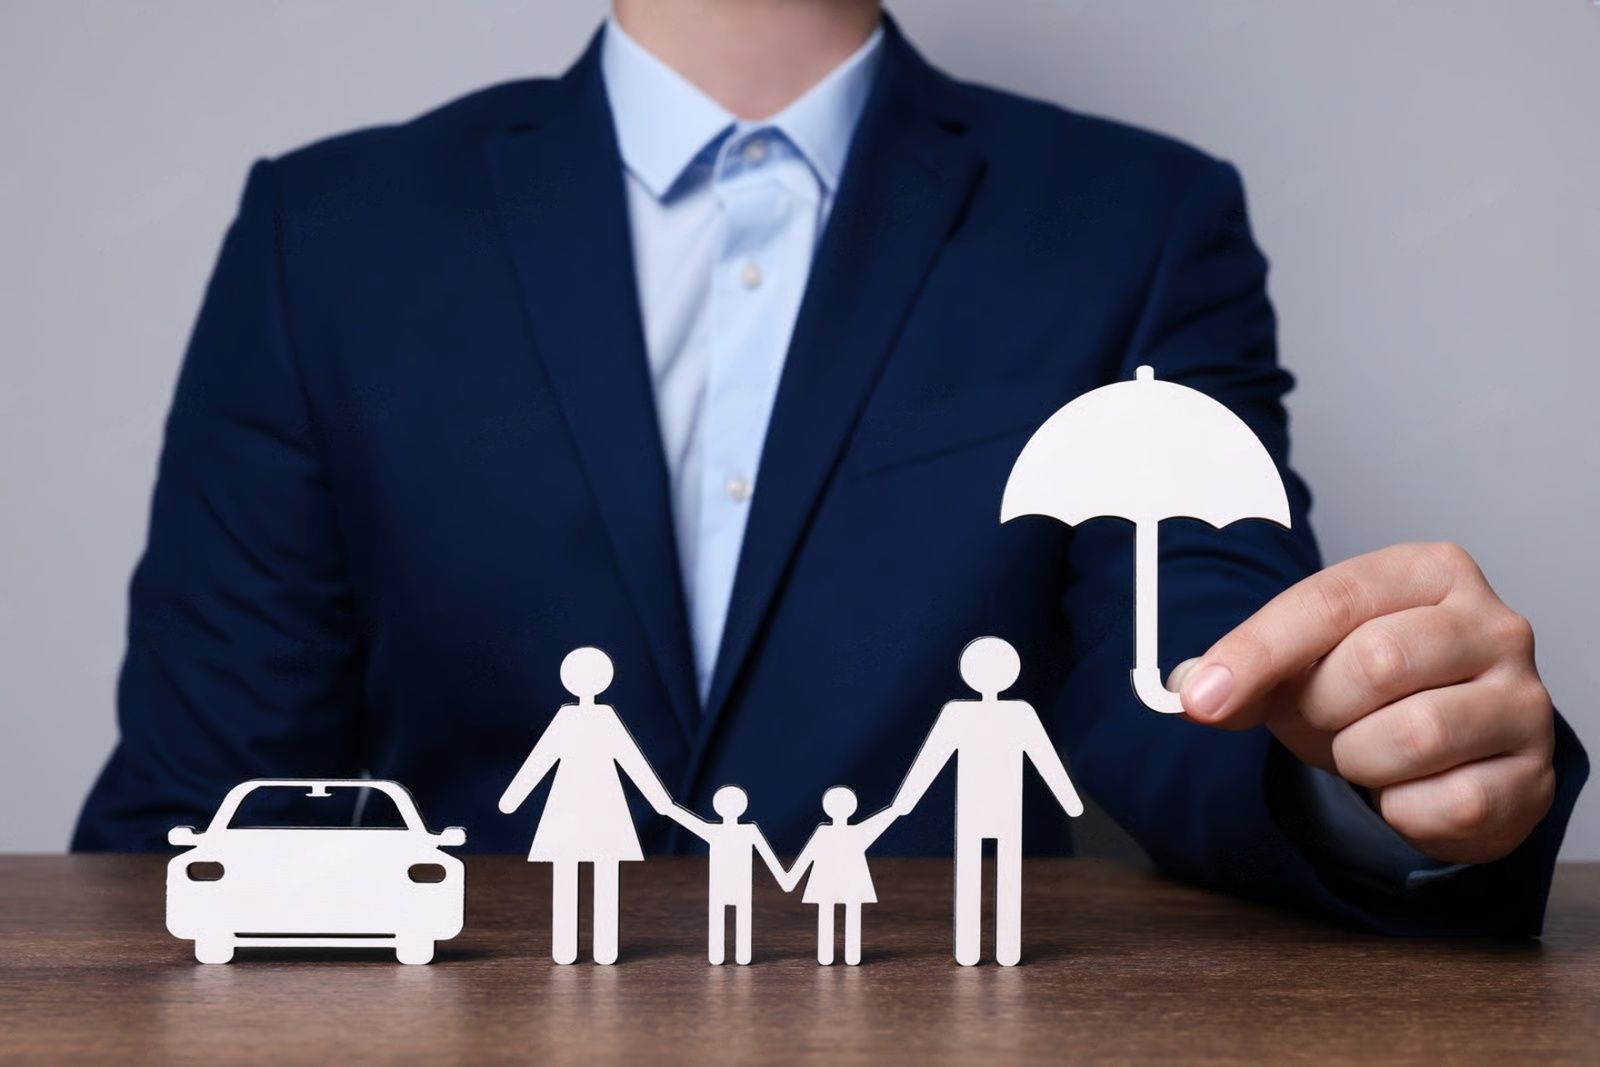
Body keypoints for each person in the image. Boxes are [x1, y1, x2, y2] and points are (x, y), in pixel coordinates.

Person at [76, 0, 1586, 938]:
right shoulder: (329, 235)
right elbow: (206, 803)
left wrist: (1379, 769)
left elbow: (1195, 680)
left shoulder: (1131, 223)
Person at [498, 646, 698, 965]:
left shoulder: (603, 719)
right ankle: (571, 946)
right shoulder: (573, 718)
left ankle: (601, 947)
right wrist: (513, 796)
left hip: (600, 807)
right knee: (575, 873)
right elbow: (542, 759)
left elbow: (632, 761)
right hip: (575, 807)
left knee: (599, 873)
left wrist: (660, 799)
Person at [893, 637, 1083, 966]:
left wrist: (1069, 798)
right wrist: (906, 799)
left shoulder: (1015, 714)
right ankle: (975, 947)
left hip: (1002, 807)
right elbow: (931, 759)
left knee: (1000, 873)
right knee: (979, 873)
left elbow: (1043, 757)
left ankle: (1002, 946)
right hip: (977, 806)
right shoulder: (965, 714)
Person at [781, 786, 897, 966]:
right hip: (833, 881)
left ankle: (847, 955)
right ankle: (834, 955)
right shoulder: (836, 832)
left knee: (845, 913)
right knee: (832, 913)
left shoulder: (854, 831)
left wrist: (789, 879)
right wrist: (789, 878)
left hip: (843, 881)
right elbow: (807, 856)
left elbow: (882, 820)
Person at [679, 784, 788, 965]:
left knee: (739, 917)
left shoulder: (745, 830)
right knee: (722, 916)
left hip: (739, 885)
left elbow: (767, 855)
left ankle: (738, 955)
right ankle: (720, 955)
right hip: (722, 885)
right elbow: (687, 820)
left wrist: (784, 878)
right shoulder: (716, 830)